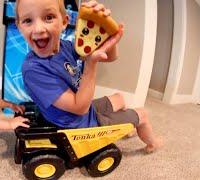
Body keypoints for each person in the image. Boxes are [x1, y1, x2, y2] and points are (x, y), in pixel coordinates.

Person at [15, 0, 162, 153]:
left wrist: (106, 34)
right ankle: (153, 143)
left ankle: (126, 124)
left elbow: (110, 57)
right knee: (143, 114)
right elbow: (80, 108)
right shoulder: (34, 70)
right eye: (28, 20)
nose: (38, 29)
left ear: (64, 22)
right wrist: (91, 64)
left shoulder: (65, 46)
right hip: (75, 126)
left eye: (48, 17)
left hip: (83, 112)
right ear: (19, 26)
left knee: (120, 98)